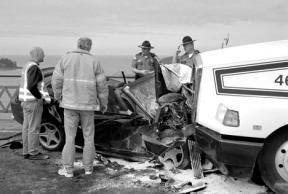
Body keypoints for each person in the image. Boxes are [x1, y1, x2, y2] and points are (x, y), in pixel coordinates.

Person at [52, 37, 108, 178]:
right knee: (89, 137)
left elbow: (56, 80)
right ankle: (88, 168)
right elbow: (102, 86)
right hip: (88, 106)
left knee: (70, 138)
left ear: (77, 45)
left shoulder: (65, 58)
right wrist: (103, 103)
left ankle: (68, 170)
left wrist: (57, 96)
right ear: (89, 47)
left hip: (70, 105)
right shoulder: (95, 61)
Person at [19, 47, 51, 160]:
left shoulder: (26, 66)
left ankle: (26, 151)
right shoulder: (34, 68)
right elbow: (32, 86)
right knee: (34, 128)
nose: (44, 56)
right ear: (37, 55)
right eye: (43, 54)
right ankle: (33, 153)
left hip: (25, 102)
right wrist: (39, 97)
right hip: (33, 102)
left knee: (26, 127)